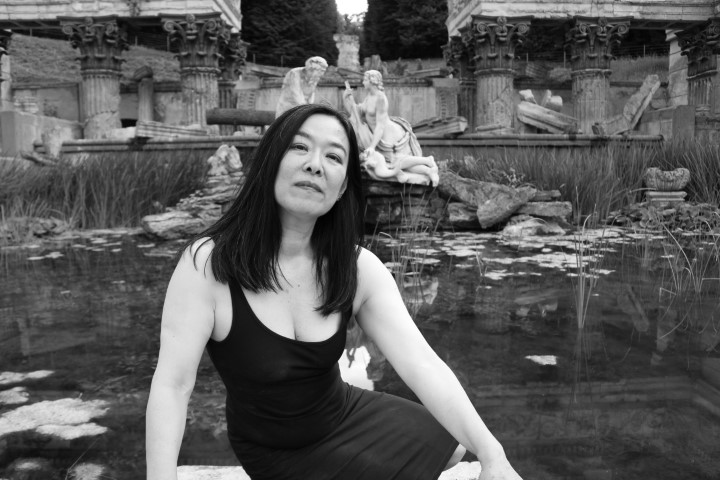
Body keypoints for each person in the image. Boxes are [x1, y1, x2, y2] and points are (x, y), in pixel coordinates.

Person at [146, 103, 522, 480]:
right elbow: (173, 386)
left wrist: (492, 453)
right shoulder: (208, 264)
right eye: (299, 147)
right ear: (269, 161)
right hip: (273, 448)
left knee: (454, 445)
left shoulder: (356, 267)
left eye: (333, 157)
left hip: (343, 413)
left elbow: (421, 363)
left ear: (342, 187)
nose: (315, 165)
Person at [342, 70, 439, 187]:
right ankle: (428, 170)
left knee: (396, 161)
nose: (363, 82)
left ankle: (427, 161)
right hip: (376, 135)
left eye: (365, 80)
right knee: (393, 164)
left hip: (388, 134)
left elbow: (380, 125)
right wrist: (345, 98)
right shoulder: (369, 97)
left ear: (372, 81)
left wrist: (372, 146)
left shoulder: (381, 98)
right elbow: (356, 113)